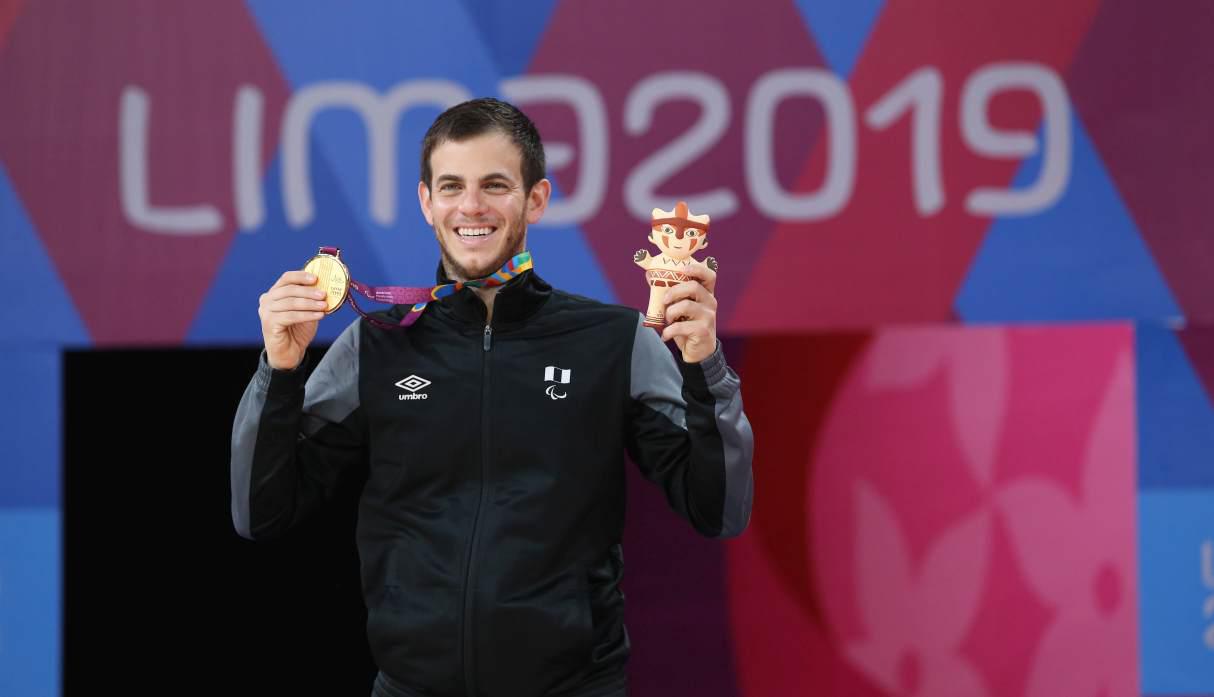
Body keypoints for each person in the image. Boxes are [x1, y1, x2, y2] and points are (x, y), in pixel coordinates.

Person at [230, 97, 753, 697]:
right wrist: (279, 369)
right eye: (451, 186)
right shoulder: (374, 347)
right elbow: (260, 512)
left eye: (495, 185)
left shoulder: (613, 342)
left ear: (536, 199)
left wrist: (705, 367)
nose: (471, 206)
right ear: (427, 201)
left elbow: (719, 510)